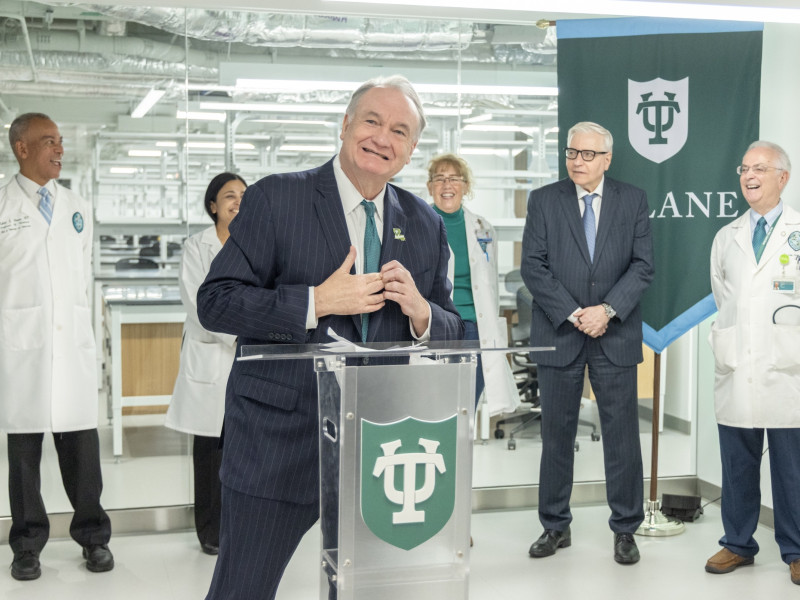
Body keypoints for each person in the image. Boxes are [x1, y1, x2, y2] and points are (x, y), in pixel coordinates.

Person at [196, 75, 464, 600]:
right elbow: (216, 301)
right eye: (372, 121)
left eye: (400, 131)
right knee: (241, 590)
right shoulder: (278, 197)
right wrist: (317, 301)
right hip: (277, 442)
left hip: (383, 453)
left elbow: (455, 330)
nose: (383, 138)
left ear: (410, 150)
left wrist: (421, 312)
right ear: (344, 126)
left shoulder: (426, 223)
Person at [521, 121, 654, 565]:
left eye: (588, 154)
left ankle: (625, 529)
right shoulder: (544, 200)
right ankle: (555, 526)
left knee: (622, 439)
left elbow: (642, 266)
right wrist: (576, 312)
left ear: (607, 159)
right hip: (561, 331)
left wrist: (607, 310)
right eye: (572, 153)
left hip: (614, 333)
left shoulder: (632, 199)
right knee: (556, 436)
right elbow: (534, 268)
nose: (578, 161)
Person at [0, 113, 113, 580]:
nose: (59, 150)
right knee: (24, 456)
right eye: (48, 142)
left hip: (72, 349)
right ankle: (27, 545)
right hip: (20, 347)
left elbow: (79, 279)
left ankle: (93, 537)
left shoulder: (76, 206)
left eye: (61, 141)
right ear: (21, 148)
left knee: (82, 452)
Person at [706, 140, 800, 585]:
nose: (749, 174)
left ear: (783, 177)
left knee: (792, 467)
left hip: (789, 369)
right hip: (738, 365)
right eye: (744, 167)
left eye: (760, 167)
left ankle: (797, 549)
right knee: (738, 462)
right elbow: (725, 299)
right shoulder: (727, 236)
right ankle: (738, 543)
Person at [165, 172, 247, 556]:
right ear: (213, 205)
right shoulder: (196, 247)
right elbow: (200, 306)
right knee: (211, 451)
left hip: (248, 360)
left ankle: (243, 525)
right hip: (213, 356)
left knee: (246, 449)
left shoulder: (257, 245)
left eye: (244, 195)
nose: (237, 201)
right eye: (229, 196)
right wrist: (241, 335)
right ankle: (210, 532)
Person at [426, 153, 518, 414]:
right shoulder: (417, 224)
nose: (447, 185)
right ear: (430, 186)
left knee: (467, 406)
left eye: (454, 179)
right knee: (436, 406)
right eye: (439, 179)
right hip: (437, 329)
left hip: (475, 331)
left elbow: (489, 287)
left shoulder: (483, 229)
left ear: (465, 186)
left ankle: (463, 454)